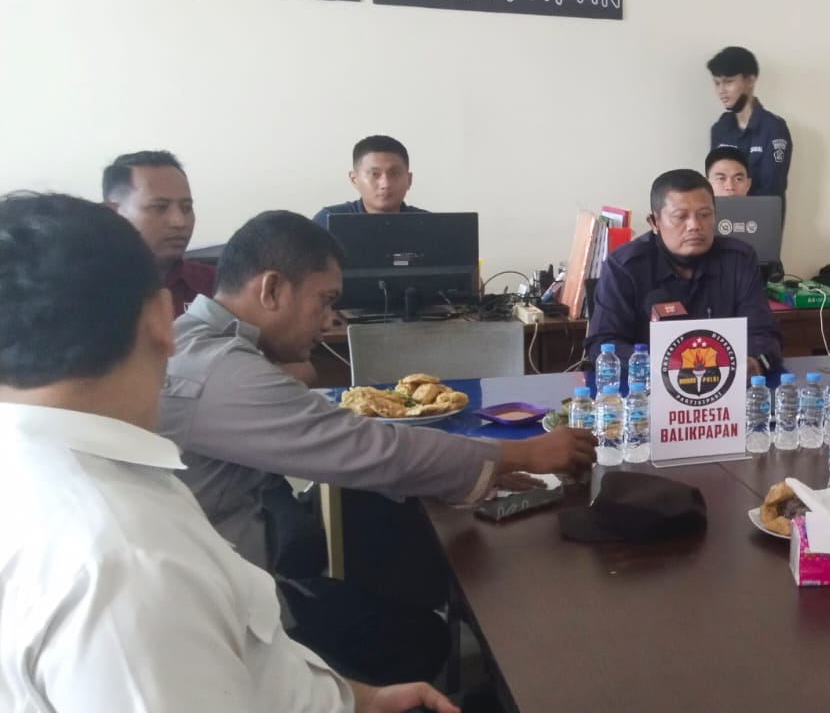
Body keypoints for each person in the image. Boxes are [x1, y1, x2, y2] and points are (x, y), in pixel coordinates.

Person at [0, 192, 456, 713]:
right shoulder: (127, 561)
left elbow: (246, 655)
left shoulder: (67, 475)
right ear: (161, 318)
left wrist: (358, 698)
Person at [159, 210, 597, 684]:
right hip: (224, 623)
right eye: (324, 300)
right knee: (415, 640)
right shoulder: (217, 368)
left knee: (406, 609)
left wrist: (481, 467)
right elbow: (363, 447)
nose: (329, 319)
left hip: (239, 584)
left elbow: (342, 434)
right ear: (272, 290)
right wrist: (523, 453)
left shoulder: (206, 346)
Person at [585, 169, 782, 375]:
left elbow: (764, 332)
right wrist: (663, 366)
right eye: (680, 216)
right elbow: (602, 344)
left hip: (724, 384)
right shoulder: (625, 266)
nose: (694, 226)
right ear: (654, 222)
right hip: (647, 386)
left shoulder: (738, 260)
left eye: (705, 215)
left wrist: (755, 361)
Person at [103, 150, 214, 317]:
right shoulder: (85, 290)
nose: (179, 222)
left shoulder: (216, 285)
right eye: (159, 207)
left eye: (186, 208)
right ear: (114, 212)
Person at [708, 46, 792, 199]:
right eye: (717, 83)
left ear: (750, 80)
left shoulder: (774, 129)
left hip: (761, 213)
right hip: (724, 212)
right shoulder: (719, 129)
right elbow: (715, 183)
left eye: (728, 82)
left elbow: (772, 190)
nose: (721, 90)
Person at [312, 135, 426, 229]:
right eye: (374, 174)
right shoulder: (328, 220)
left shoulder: (428, 223)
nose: (385, 184)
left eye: (395, 174)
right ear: (354, 179)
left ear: (409, 180)